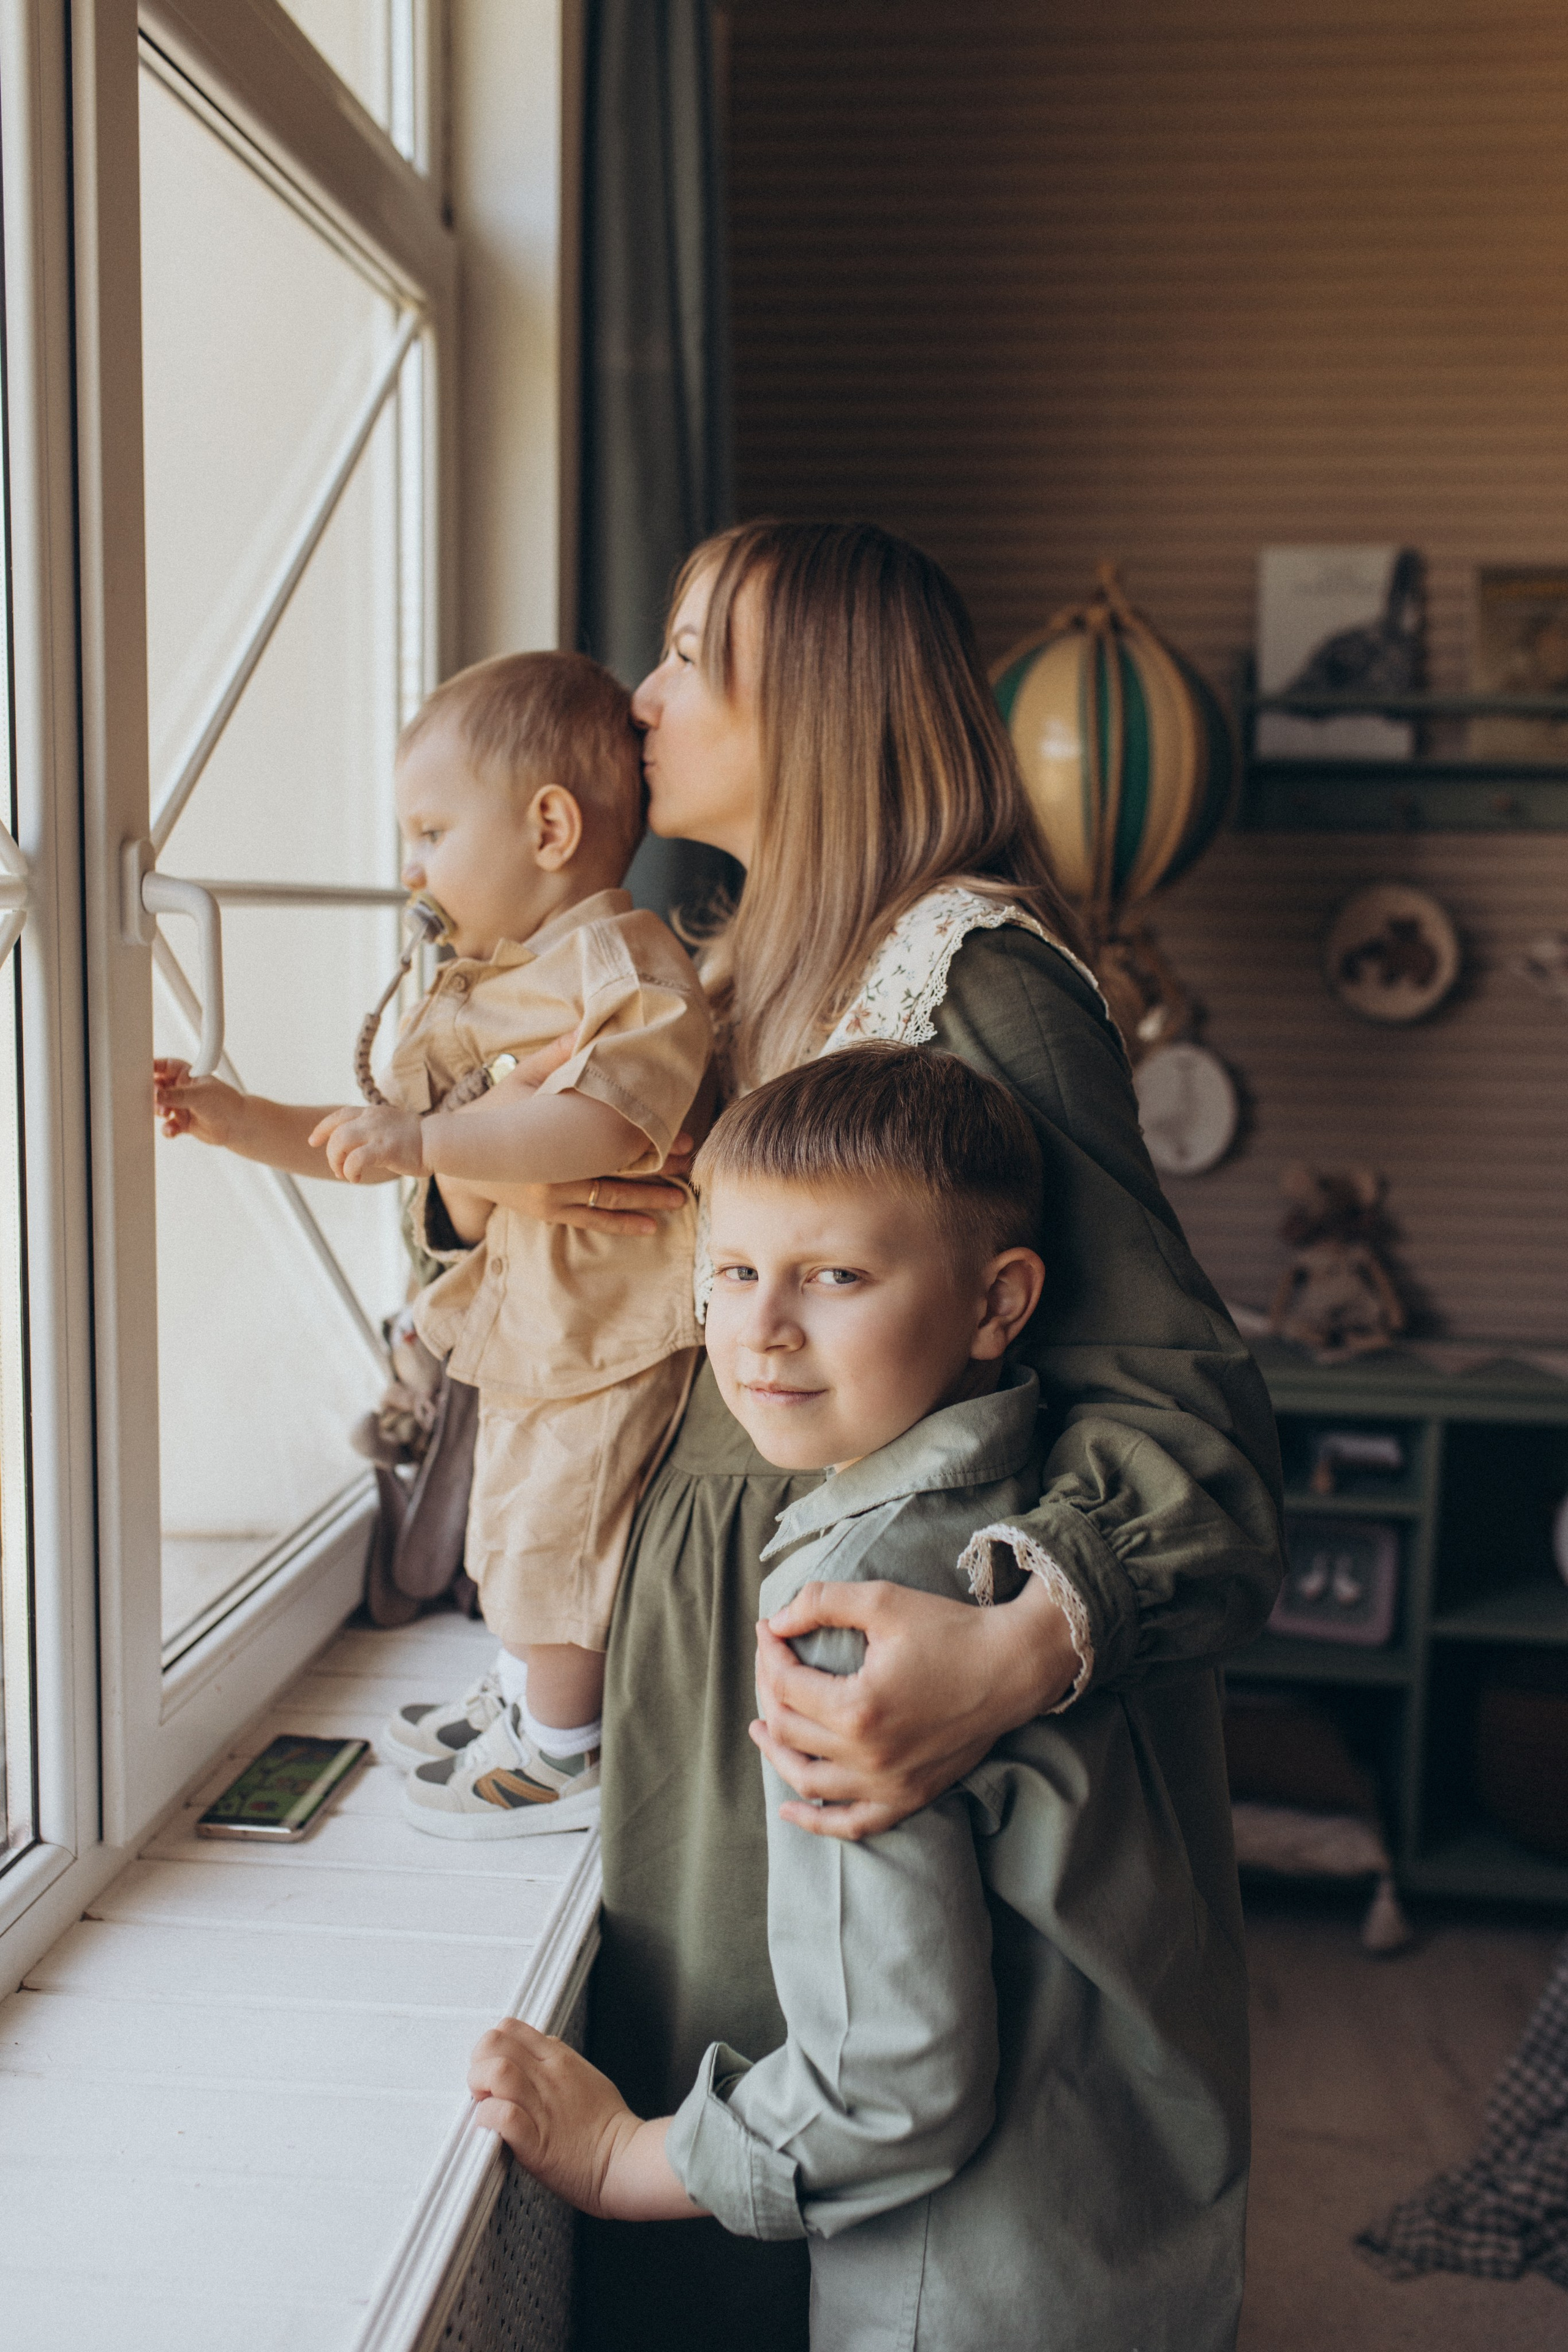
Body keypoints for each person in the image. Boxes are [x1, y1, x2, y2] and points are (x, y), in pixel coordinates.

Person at [468, 1042, 1250, 2351]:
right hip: (1126, 2221)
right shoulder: (1044, 1515)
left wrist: (620, 2159)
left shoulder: (849, 1619)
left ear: (998, 1302)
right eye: (731, 1271)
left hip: (964, 2291)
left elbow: (890, 2092)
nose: (761, 1328)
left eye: (833, 1276)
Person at [154, 652, 711, 1833]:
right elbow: (379, 1144)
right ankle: (521, 1700)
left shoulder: (622, 964)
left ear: (549, 826)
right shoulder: (481, 987)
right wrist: (237, 1118)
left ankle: (564, 1749)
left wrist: (426, 1139)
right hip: (532, 1325)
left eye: (430, 833)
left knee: (560, 1532)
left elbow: (613, 1115)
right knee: (513, 1521)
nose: (412, 868)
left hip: (609, 1333)